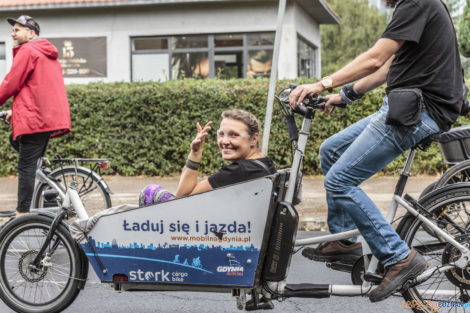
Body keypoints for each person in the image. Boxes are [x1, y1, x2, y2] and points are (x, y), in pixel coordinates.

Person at [289, 0, 464, 302]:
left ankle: (399, 257)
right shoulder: (419, 8)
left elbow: (374, 58)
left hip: (417, 110)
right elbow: (388, 68)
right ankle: (344, 241)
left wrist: (321, 84)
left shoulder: (416, 1)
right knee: (331, 150)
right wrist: (344, 95)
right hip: (406, 105)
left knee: (339, 181)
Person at [0, 15, 71, 218]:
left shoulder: (28, 50)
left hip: (36, 121)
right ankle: (50, 186)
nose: (13, 33)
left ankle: (22, 213)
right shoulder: (44, 52)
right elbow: (36, 89)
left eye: (17, 29)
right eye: (13, 30)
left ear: (31, 33)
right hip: (44, 117)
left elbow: (11, 83)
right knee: (16, 141)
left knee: (25, 166)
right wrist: (16, 111)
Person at [139, 109, 276, 206]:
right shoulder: (264, 163)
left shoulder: (239, 171)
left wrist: (195, 153)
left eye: (233, 135)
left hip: (223, 233)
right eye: (221, 134)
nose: (224, 141)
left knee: (150, 192)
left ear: (253, 139)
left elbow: (181, 200)